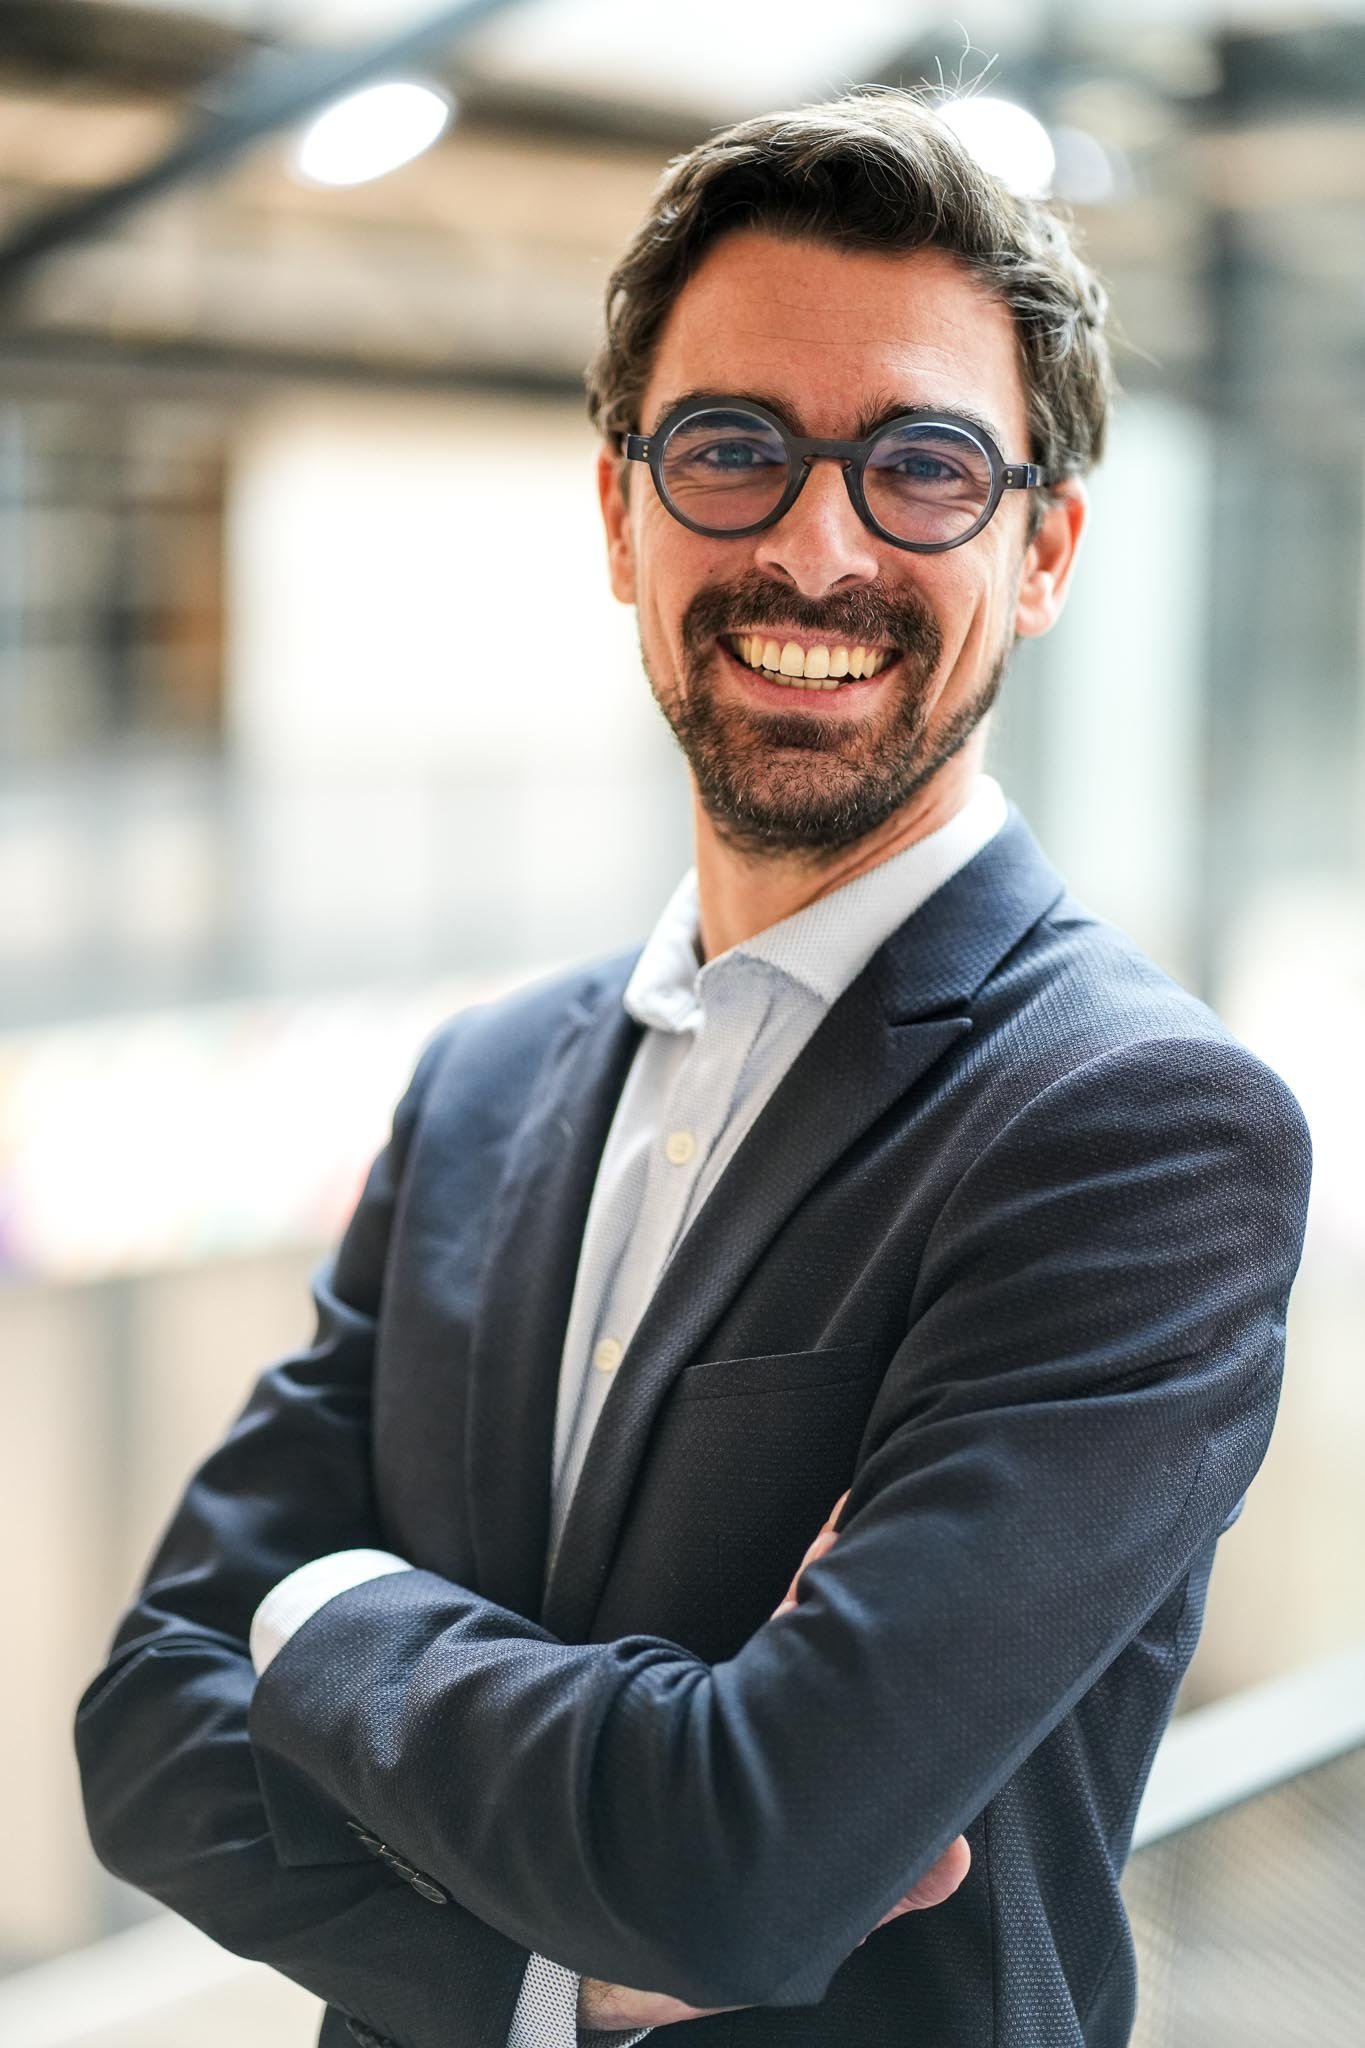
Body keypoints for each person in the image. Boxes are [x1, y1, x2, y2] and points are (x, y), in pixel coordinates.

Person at [74, 87, 1312, 2048]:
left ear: (1046, 547)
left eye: (918, 466)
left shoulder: (1135, 1130)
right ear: (619, 510)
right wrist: (554, 1954)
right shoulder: (478, 1083)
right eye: (732, 448)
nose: (816, 546)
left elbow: (744, 1858)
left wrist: (318, 1619)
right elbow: (146, 1724)